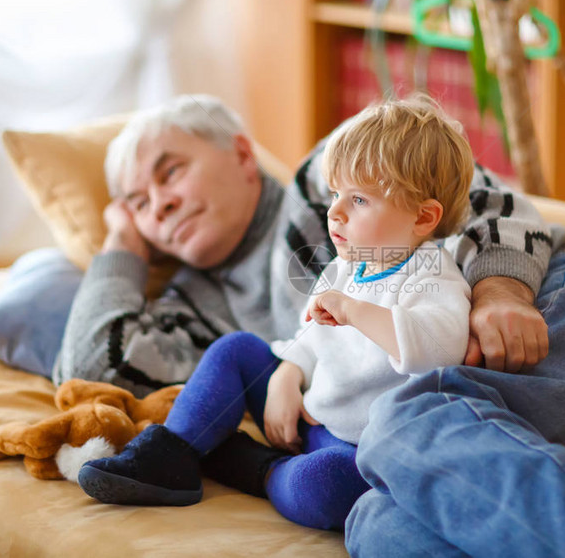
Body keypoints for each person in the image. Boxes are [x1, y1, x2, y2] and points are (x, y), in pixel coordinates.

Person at [56, 94, 565, 555]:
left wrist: (499, 288)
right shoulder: (194, 303)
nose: (160, 203)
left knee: (402, 422)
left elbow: (489, 199)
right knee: (375, 523)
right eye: (140, 203)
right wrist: (120, 246)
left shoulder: (334, 175)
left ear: (240, 153)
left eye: (170, 171)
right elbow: (92, 364)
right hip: (482, 427)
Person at [77, 96, 473, 531]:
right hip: (310, 412)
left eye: (357, 200)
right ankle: (172, 453)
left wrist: (355, 310)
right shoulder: (346, 267)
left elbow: (438, 350)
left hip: (361, 446)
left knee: (325, 489)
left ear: (423, 217)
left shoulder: (433, 273)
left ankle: (250, 466)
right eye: (337, 195)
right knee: (237, 350)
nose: (334, 211)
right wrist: (288, 371)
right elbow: (310, 335)